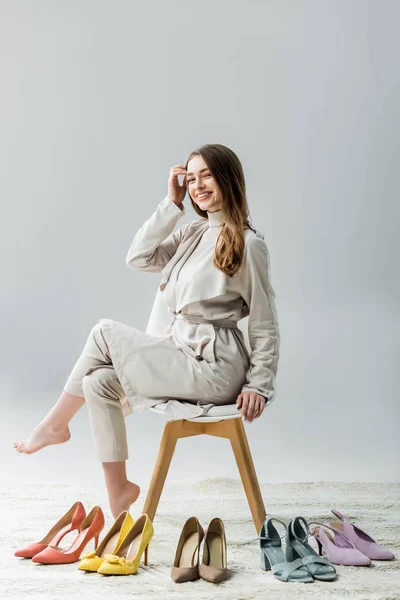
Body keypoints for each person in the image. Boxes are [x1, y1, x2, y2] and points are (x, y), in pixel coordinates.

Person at [13, 143, 280, 518]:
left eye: (207, 175)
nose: (198, 185)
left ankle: (54, 425)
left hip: (216, 365)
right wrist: (171, 205)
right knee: (98, 383)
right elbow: (139, 257)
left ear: (228, 179)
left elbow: (265, 321)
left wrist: (259, 384)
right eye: (192, 177)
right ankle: (119, 491)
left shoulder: (249, 244)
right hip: (179, 351)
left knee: (104, 331)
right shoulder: (191, 233)